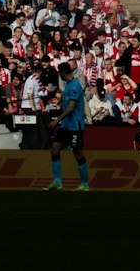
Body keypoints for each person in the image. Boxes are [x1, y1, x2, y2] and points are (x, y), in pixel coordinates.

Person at [46, 63, 91, 191]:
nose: (59, 75)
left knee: (77, 153)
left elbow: (71, 107)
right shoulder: (68, 85)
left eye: (59, 72)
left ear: (63, 72)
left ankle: (84, 183)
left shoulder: (75, 86)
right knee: (54, 149)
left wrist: (56, 121)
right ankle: (57, 181)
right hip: (66, 125)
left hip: (74, 125)